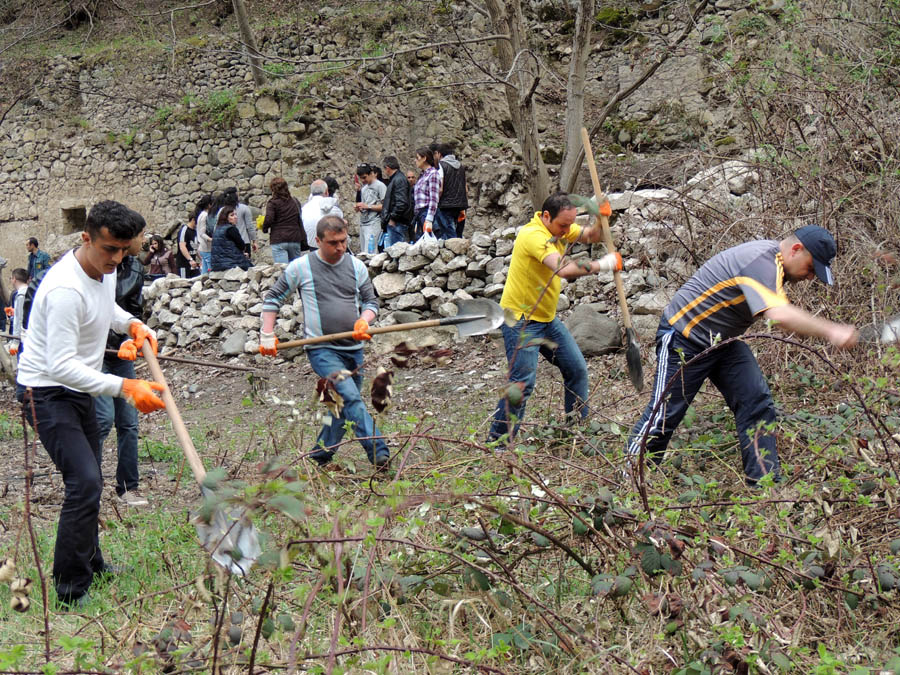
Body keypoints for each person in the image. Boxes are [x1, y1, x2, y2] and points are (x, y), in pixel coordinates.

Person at [16, 200, 165, 608]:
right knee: (84, 481)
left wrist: (130, 323)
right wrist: (125, 388)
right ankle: (69, 589)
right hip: (45, 392)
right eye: (110, 249)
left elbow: (106, 307)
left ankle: (92, 562)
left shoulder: (102, 269)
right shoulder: (64, 289)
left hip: (78, 387)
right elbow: (59, 366)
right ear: (86, 238)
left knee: (90, 479)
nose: (117, 259)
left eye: (125, 250)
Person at [626, 225, 858, 486]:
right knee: (664, 415)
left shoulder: (774, 264)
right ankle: (630, 484)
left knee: (755, 400)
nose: (810, 277)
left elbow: (784, 311)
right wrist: (832, 330)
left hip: (721, 342)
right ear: (796, 250)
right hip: (684, 337)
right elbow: (780, 315)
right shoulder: (761, 262)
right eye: (811, 268)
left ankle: (765, 485)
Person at [487, 191, 623, 443]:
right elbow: (562, 269)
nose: (567, 230)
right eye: (563, 225)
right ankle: (497, 442)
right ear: (546, 216)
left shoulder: (558, 228)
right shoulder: (533, 235)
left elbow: (593, 235)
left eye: (570, 224)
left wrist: (600, 217)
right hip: (521, 321)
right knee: (521, 384)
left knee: (577, 370)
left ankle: (577, 430)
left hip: (546, 319)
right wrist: (603, 265)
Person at [258, 215, 390, 467]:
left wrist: (365, 320)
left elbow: (371, 301)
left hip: (354, 349)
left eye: (343, 241)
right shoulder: (301, 267)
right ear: (317, 240)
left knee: (341, 407)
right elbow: (273, 298)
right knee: (350, 397)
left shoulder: (356, 266)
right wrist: (266, 333)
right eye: (333, 243)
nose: (340, 247)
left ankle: (320, 454)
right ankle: (378, 451)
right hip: (321, 349)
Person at [95, 214, 150, 508]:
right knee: (103, 419)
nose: (143, 241)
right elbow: (100, 308)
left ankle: (128, 487)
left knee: (128, 422)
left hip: (122, 353)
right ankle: (89, 485)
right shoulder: (100, 265)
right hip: (97, 354)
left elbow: (130, 309)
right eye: (141, 235)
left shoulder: (136, 268)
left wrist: (132, 336)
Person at [262, 177, 306, 264]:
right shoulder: (295, 201)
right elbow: (299, 216)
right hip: (294, 238)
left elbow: (269, 219)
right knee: (296, 270)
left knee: (282, 270)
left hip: (279, 239)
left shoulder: (272, 203)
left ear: (273, 189)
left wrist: (264, 228)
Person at [435, 143, 468, 240]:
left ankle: (453, 252)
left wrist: (436, 201)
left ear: (440, 154)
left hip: (446, 204)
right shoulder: (460, 166)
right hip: (461, 204)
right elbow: (465, 187)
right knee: (457, 230)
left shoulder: (441, 165)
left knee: (449, 231)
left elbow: (440, 188)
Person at [301, 179, 342, 251]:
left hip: (311, 245)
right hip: (329, 245)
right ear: (326, 192)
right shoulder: (332, 207)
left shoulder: (304, 208)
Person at [354, 164, 386, 254]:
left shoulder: (380, 186)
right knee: (364, 252)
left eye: (364, 177)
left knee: (371, 252)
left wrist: (368, 206)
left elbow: (385, 206)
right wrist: (359, 207)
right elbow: (364, 205)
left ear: (371, 173)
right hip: (363, 222)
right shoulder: (364, 189)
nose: (363, 180)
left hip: (374, 222)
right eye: (361, 178)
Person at [381, 156, 413, 246]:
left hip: (397, 223)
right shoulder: (398, 179)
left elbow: (402, 203)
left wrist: (392, 218)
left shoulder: (399, 180)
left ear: (387, 168)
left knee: (397, 253)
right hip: (397, 222)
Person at [210, 205, 252, 272]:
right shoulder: (231, 229)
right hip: (230, 263)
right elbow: (242, 246)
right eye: (232, 215)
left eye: (235, 214)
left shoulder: (217, 229)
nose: (235, 217)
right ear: (226, 217)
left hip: (216, 264)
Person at [412, 146, 440, 241]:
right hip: (419, 213)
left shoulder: (433, 174)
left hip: (426, 212)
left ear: (424, 158)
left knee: (429, 243)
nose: (415, 160)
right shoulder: (422, 175)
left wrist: (429, 219)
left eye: (417, 158)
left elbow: (434, 198)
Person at [222, 187, 257, 256]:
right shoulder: (244, 208)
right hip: (244, 241)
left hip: (227, 243)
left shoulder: (222, 210)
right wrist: (254, 240)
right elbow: (249, 226)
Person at [6, 268, 28, 357]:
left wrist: (15, 341)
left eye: (11, 278)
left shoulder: (21, 295)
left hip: (22, 338)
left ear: (14, 279)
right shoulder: (29, 292)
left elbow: (20, 319)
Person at [195, 195, 214, 275]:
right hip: (206, 247)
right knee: (209, 271)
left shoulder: (201, 215)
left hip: (202, 247)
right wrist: (210, 239)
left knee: (204, 272)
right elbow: (202, 233)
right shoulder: (205, 216)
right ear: (209, 205)